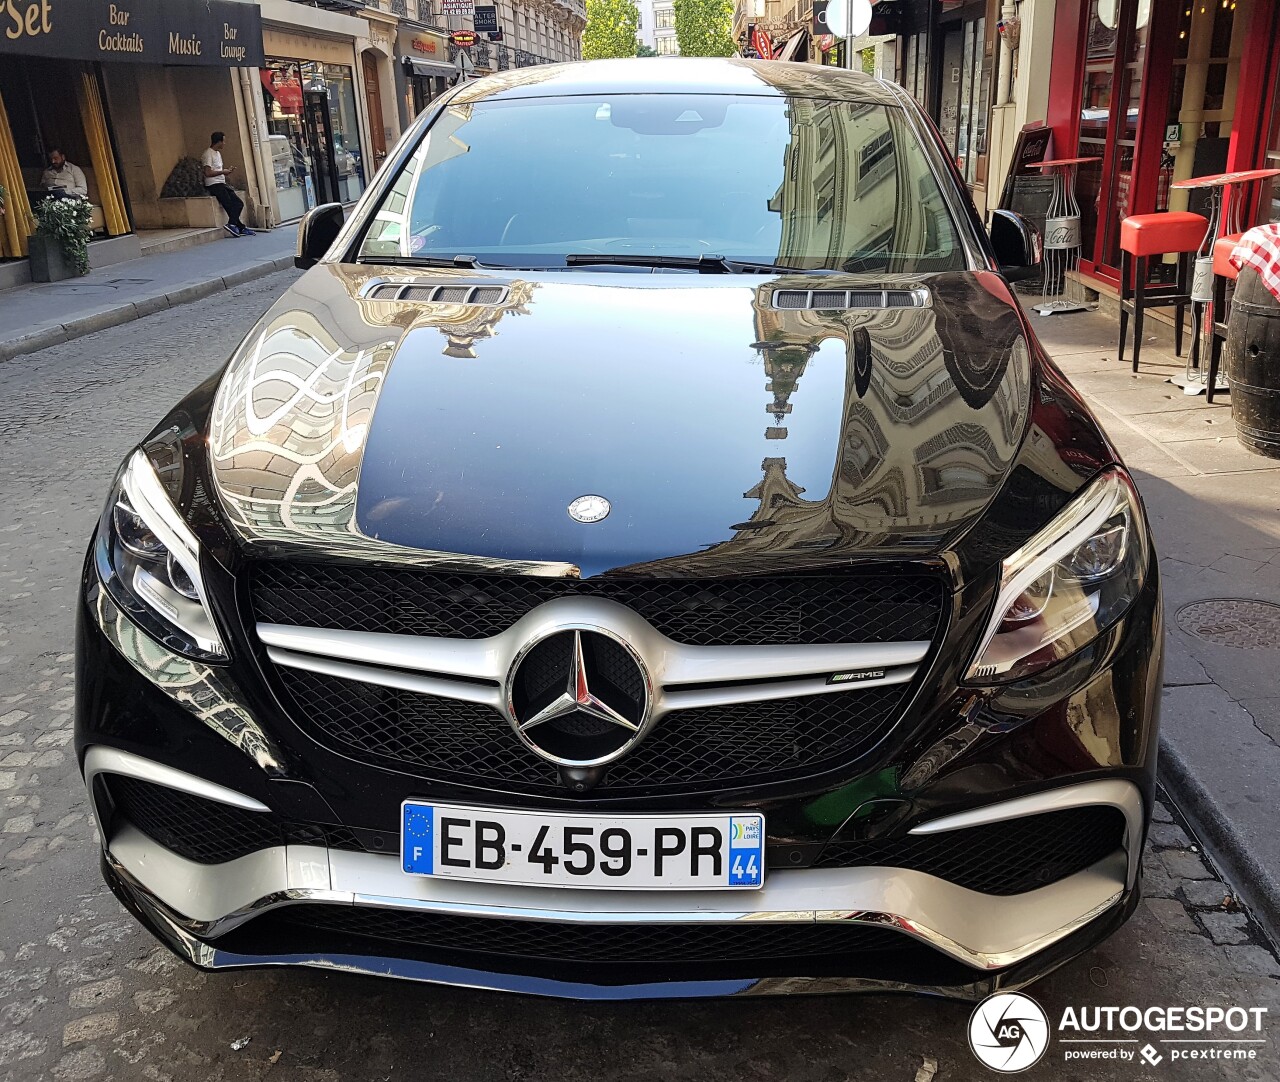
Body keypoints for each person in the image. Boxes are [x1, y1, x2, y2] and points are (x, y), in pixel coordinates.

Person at [202, 131, 255, 237]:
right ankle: (236, 226)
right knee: (230, 204)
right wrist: (223, 172)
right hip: (213, 184)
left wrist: (226, 172)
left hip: (221, 182)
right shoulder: (208, 154)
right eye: (224, 141)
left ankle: (236, 225)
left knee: (238, 203)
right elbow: (207, 172)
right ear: (219, 141)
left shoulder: (218, 154)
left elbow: (218, 170)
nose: (225, 144)